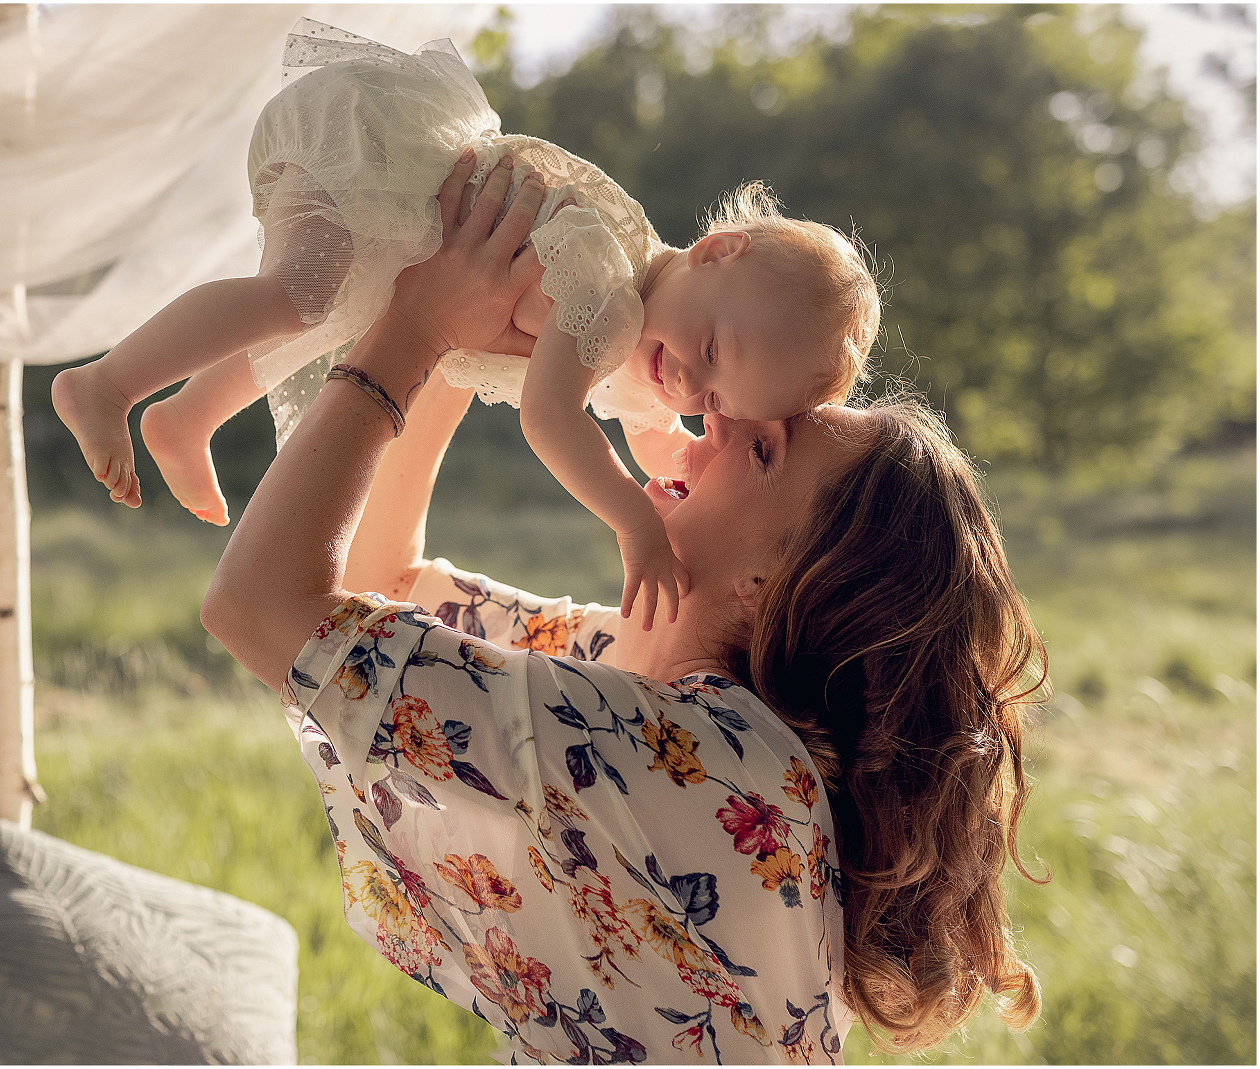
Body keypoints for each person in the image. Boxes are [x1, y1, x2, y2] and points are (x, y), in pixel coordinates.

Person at [200, 155, 1045, 1063]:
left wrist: (408, 331)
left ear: (777, 580)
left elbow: (260, 607)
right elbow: (385, 586)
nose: (715, 419)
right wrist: (465, 344)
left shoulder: (707, 760)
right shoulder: (661, 688)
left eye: (763, 453)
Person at [53, 18, 879, 629]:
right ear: (715, 250)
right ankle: (105, 382)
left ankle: (185, 416)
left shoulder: (646, 353)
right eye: (709, 351)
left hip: (399, 222)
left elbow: (657, 439)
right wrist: (632, 519)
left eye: (719, 399)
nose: (692, 385)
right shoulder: (611, 290)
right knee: (297, 297)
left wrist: (672, 477)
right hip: (373, 149)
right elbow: (550, 418)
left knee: (326, 312)